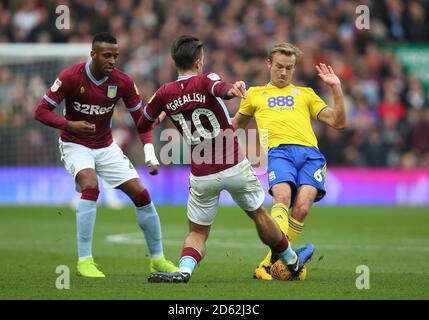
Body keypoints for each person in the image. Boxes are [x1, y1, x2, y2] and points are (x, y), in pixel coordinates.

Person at [138, 35, 314, 283]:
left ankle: (184, 271)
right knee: (259, 214)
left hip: (201, 174)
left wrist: (160, 119)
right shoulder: (206, 78)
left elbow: (143, 123)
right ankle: (292, 261)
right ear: (199, 61)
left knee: (198, 232)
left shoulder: (163, 94)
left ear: (173, 61)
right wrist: (233, 88)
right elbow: (220, 88)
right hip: (233, 165)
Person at [34, 32, 177, 278]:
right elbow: (41, 111)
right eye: (107, 55)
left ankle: (157, 259)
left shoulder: (122, 82)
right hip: (74, 144)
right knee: (91, 186)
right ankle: (85, 260)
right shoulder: (70, 77)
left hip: (105, 146)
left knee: (141, 194)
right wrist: (69, 125)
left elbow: (141, 121)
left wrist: (150, 152)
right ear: (93, 55)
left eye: (116, 56)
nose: (112, 61)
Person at [233, 43, 346, 280]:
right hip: (279, 153)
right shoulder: (254, 94)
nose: (283, 72)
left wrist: (336, 89)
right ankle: (281, 262)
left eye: (289, 68)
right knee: (282, 197)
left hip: (310, 156)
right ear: (269, 64)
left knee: (302, 208)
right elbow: (233, 127)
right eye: (279, 67)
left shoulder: (306, 94)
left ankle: (267, 264)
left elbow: (338, 122)